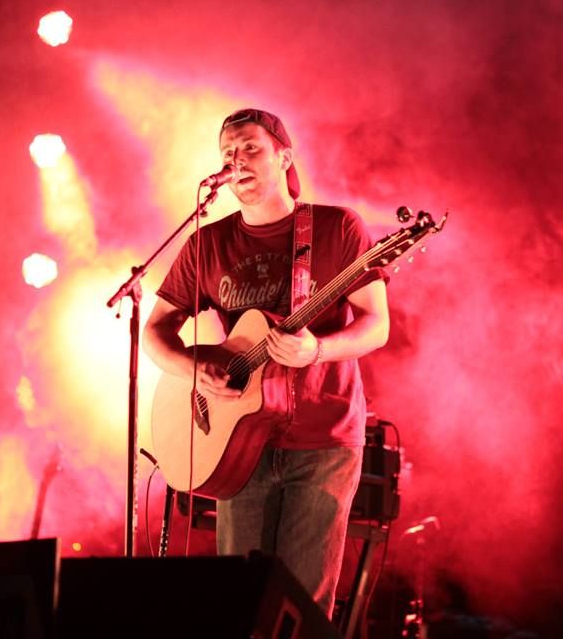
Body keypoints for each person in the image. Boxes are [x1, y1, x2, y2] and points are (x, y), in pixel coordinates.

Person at [143, 108, 389, 616]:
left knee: (302, 606)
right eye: (228, 153)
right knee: (242, 602)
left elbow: (376, 325)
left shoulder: (336, 228)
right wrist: (195, 370)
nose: (236, 161)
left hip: (323, 439)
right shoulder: (208, 243)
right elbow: (155, 331)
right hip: (239, 439)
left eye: (250, 148)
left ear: (284, 157)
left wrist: (316, 350)